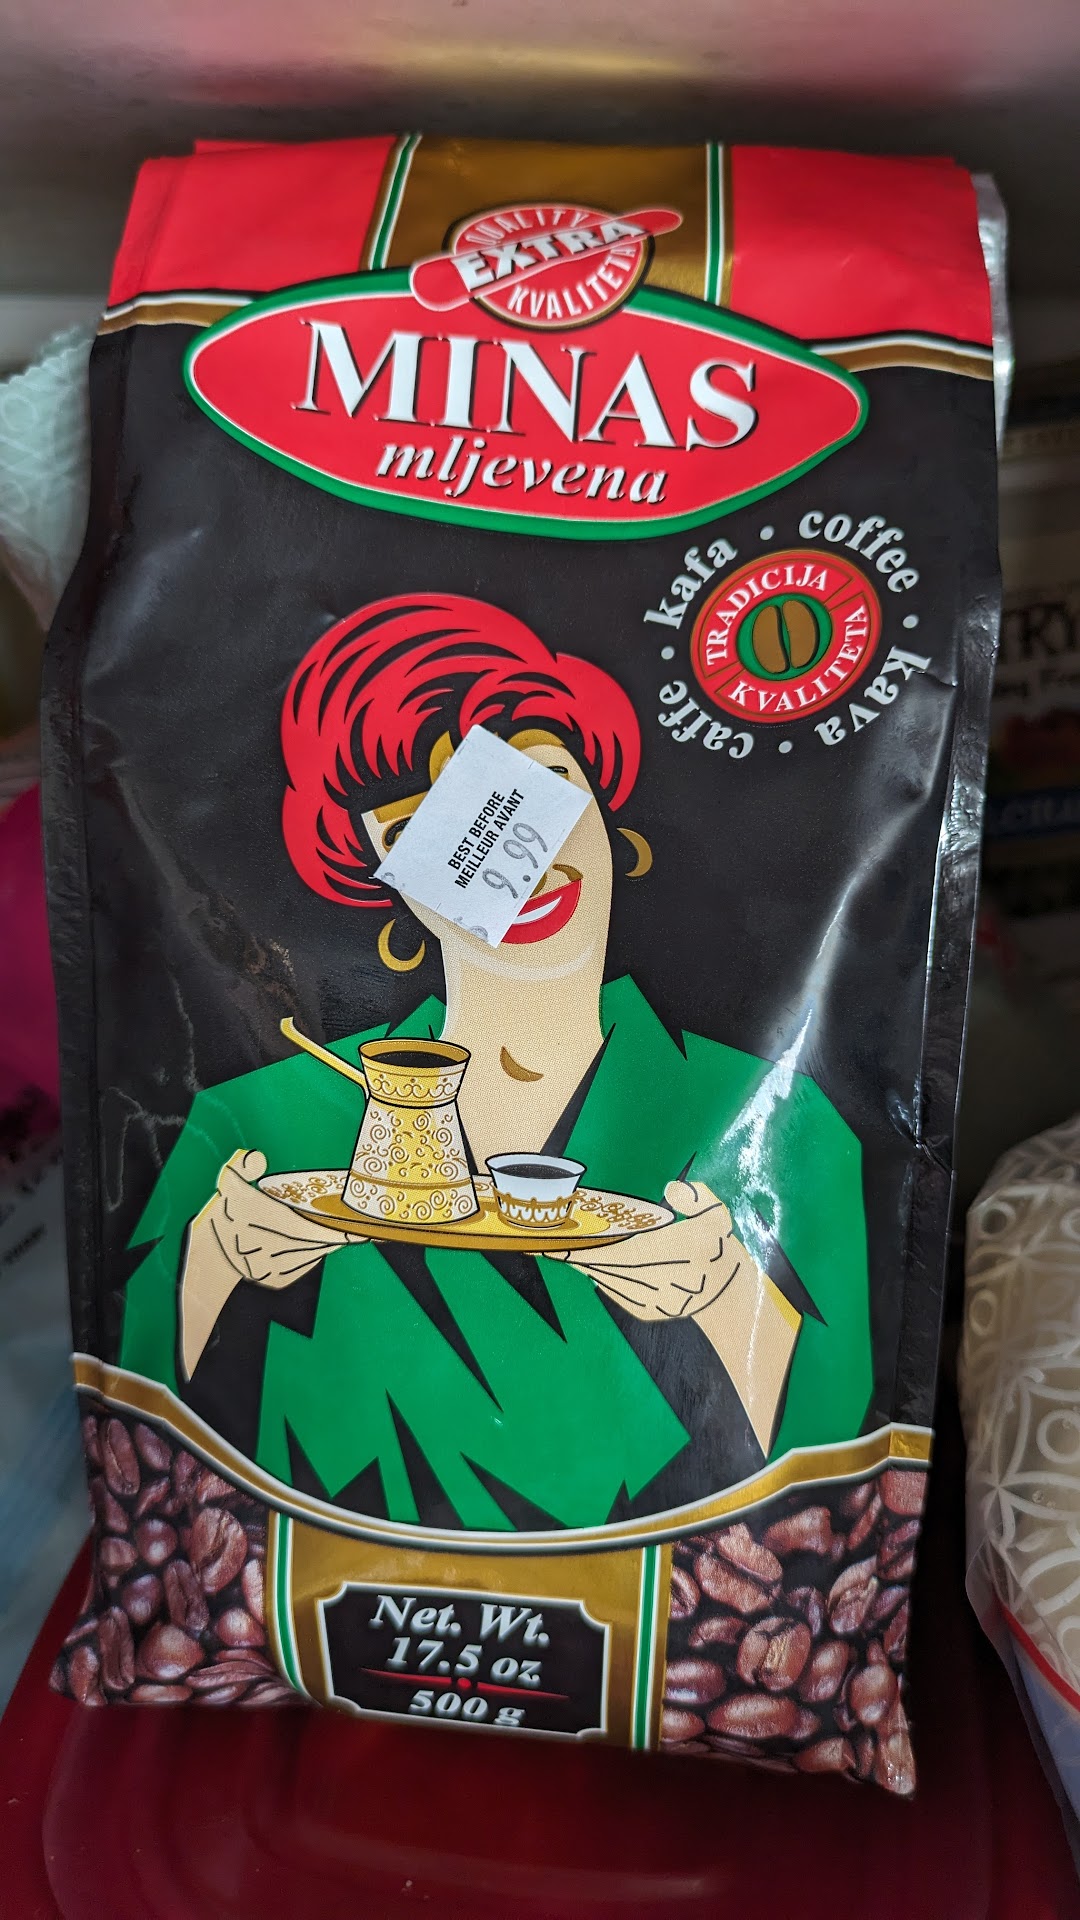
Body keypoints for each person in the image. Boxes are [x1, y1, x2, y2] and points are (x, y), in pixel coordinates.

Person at [119, 593, 873, 1533]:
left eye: (538, 783)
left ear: (604, 802)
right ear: (377, 875)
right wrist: (217, 1263)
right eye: (422, 830)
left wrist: (726, 1300)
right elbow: (141, 1425)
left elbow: (846, 1477)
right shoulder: (266, 1122)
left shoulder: (779, 1117)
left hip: (672, 1607)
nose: (515, 864)